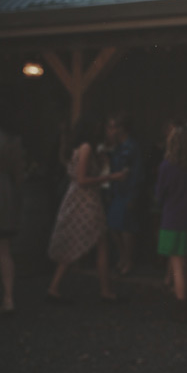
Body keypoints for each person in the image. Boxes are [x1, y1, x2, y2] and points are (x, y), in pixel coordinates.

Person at [47, 114, 126, 302]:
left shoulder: (88, 148)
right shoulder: (86, 147)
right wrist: (111, 177)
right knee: (98, 242)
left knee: (86, 241)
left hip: (83, 199)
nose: (105, 130)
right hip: (85, 200)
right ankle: (103, 290)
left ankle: (55, 287)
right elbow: (82, 180)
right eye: (102, 127)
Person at [155, 125, 187, 322]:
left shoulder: (166, 167)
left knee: (177, 266)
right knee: (186, 264)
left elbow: (160, 195)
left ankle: (182, 307)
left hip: (173, 222)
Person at [0, 110, 23, 315]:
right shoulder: (12, 141)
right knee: (4, 250)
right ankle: (8, 298)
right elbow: (19, 175)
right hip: (4, 193)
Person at [106, 115, 144, 276]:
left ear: (121, 128)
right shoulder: (117, 147)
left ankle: (128, 260)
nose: (110, 131)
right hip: (116, 191)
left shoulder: (132, 147)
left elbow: (137, 172)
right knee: (113, 226)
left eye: (113, 127)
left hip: (128, 191)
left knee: (127, 228)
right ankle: (122, 256)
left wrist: (133, 195)